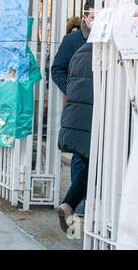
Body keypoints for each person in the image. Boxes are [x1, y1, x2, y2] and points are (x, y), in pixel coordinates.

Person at [51, 0, 94, 215]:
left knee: (92, 157)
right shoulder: (73, 41)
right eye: (92, 16)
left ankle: (76, 203)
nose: (95, 21)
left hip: (100, 107)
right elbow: (57, 68)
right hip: (79, 107)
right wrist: (72, 88)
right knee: (81, 155)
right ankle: (78, 205)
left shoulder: (106, 40)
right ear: (85, 17)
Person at [56, 43, 93, 233]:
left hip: (76, 121)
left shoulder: (81, 50)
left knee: (90, 169)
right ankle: (86, 219)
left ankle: (70, 206)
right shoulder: (113, 53)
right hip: (95, 124)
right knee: (96, 170)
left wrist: (71, 92)